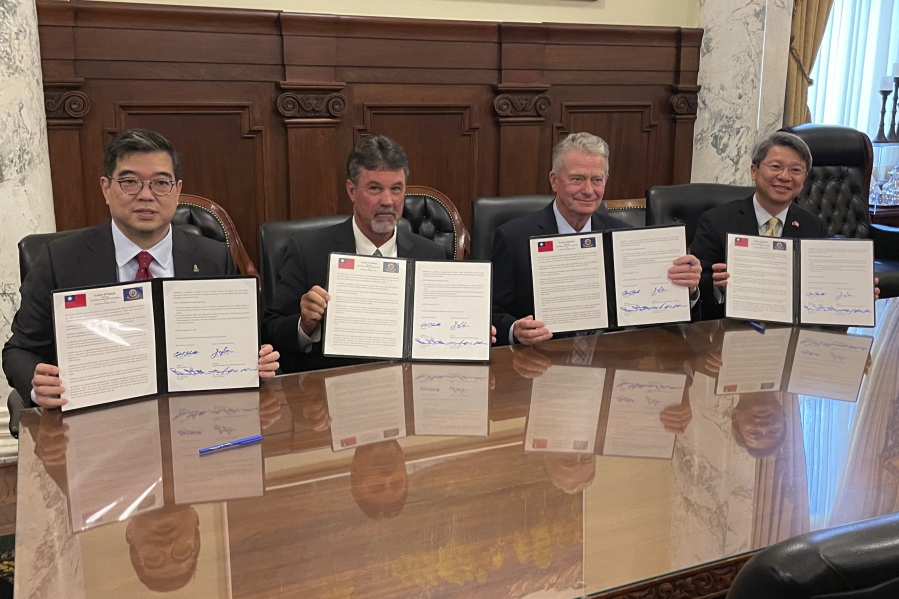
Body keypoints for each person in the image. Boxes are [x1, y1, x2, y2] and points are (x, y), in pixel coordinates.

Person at [2, 128, 279, 408]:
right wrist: (38, 388)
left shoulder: (214, 257)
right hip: (97, 419)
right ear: (106, 189)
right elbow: (20, 350)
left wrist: (256, 360)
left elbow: (237, 343)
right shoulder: (59, 260)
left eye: (160, 183)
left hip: (194, 416)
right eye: (130, 181)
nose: (146, 195)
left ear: (177, 190)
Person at [491, 132, 702, 346]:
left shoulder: (625, 237)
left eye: (597, 180)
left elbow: (658, 315)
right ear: (554, 181)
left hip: (613, 360)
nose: (588, 190)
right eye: (577, 179)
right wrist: (515, 330)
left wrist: (687, 290)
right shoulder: (513, 237)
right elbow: (492, 313)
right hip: (541, 359)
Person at [262, 135, 446, 373]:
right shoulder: (308, 252)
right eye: (375, 189)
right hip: (331, 393)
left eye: (396, 189)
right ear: (352, 190)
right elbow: (271, 332)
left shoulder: (430, 255)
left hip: (410, 389)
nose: (388, 201)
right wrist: (305, 324)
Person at [690, 131, 828, 320]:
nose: (785, 176)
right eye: (775, 166)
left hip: (790, 333)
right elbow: (695, 284)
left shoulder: (813, 227)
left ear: (804, 179)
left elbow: (818, 290)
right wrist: (717, 286)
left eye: (795, 170)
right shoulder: (716, 220)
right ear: (754, 171)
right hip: (729, 332)